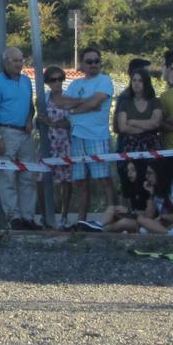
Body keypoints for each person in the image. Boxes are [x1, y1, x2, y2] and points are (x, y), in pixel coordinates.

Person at [0, 46, 40, 231]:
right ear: (6, 62)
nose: (20, 64)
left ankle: (28, 216)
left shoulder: (26, 81)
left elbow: (30, 105)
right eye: (16, 61)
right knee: (7, 176)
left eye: (21, 60)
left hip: (24, 133)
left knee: (29, 176)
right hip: (6, 132)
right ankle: (14, 217)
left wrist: (29, 120)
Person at [63, 47, 115, 224]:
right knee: (80, 181)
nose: (93, 64)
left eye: (96, 61)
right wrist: (85, 103)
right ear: (82, 64)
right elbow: (64, 103)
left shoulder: (105, 81)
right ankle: (81, 221)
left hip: (97, 136)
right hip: (77, 136)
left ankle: (113, 216)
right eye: (89, 61)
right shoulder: (75, 84)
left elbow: (96, 102)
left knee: (103, 179)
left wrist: (75, 109)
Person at [114, 65, 164, 189]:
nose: (136, 83)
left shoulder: (155, 102)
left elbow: (156, 123)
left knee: (153, 179)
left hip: (151, 144)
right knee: (132, 181)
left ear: (146, 83)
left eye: (140, 80)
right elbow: (123, 128)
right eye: (134, 80)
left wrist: (133, 122)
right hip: (131, 145)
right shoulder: (125, 103)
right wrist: (147, 126)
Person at [37, 65, 74, 229]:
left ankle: (64, 215)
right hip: (47, 144)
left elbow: (69, 122)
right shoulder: (43, 99)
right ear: (47, 82)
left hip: (63, 144)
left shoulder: (68, 99)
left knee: (66, 181)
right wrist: (43, 122)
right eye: (53, 79)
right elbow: (38, 121)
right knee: (41, 180)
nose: (57, 82)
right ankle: (44, 215)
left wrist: (52, 123)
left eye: (60, 79)